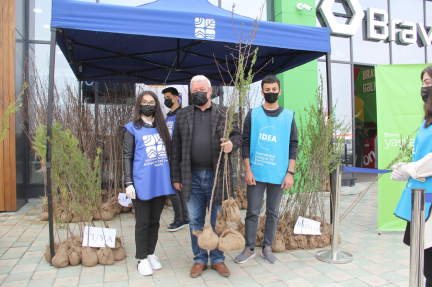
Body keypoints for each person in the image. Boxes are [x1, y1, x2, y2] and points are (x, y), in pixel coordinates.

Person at [170, 75, 242, 278]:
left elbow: (238, 136)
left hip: (217, 175)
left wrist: (231, 145)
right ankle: (200, 259)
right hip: (190, 175)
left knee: (218, 219)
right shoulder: (183, 115)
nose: (198, 93)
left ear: (211, 91)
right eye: (194, 91)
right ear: (191, 94)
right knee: (195, 220)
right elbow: (175, 147)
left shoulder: (224, 113)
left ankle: (218, 259)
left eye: (202, 89)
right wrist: (175, 176)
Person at [235, 75, 298, 264]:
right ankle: (249, 248)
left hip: (279, 174)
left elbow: (293, 145)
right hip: (257, 172)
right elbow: (245, 143)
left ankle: (267, 247)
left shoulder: (288, 116)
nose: (271, 93)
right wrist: (247, 170)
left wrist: (290, 173)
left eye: (274, 89)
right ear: (262, 92)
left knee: (273, 212)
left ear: (280, 91)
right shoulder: (252, 114)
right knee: (252, 212)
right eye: (267, 90)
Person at [123, 91, 175, 276]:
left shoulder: (162, 128)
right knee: (142, 222)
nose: (148, 104)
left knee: (154, 222)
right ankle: (141, 258)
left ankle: (151, 253)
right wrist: (128, 182)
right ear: (139, 105)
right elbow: (127, 156)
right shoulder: (131, 128)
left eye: (151, 102)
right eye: (144, 102)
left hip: (160, 182)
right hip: (141, 183)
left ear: (156, 105)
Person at [391, 65, 432, 287]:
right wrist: (406, 168)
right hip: (421, 198)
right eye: (423, 83)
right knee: (424, 265)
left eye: (428, 83)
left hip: (429, 201)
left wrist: (411, 170)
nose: (424, 88)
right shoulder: (427, 119)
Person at [162, 87, 189, 232]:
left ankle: (179, 219)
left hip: (177, 158)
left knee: (172, 190)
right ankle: (185, 218)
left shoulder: (182, 114)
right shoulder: (168, 116)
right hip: (168, 157)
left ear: (177, 97)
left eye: (168, 97)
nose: (166, 100)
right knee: (177, 190)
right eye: (165, 98)